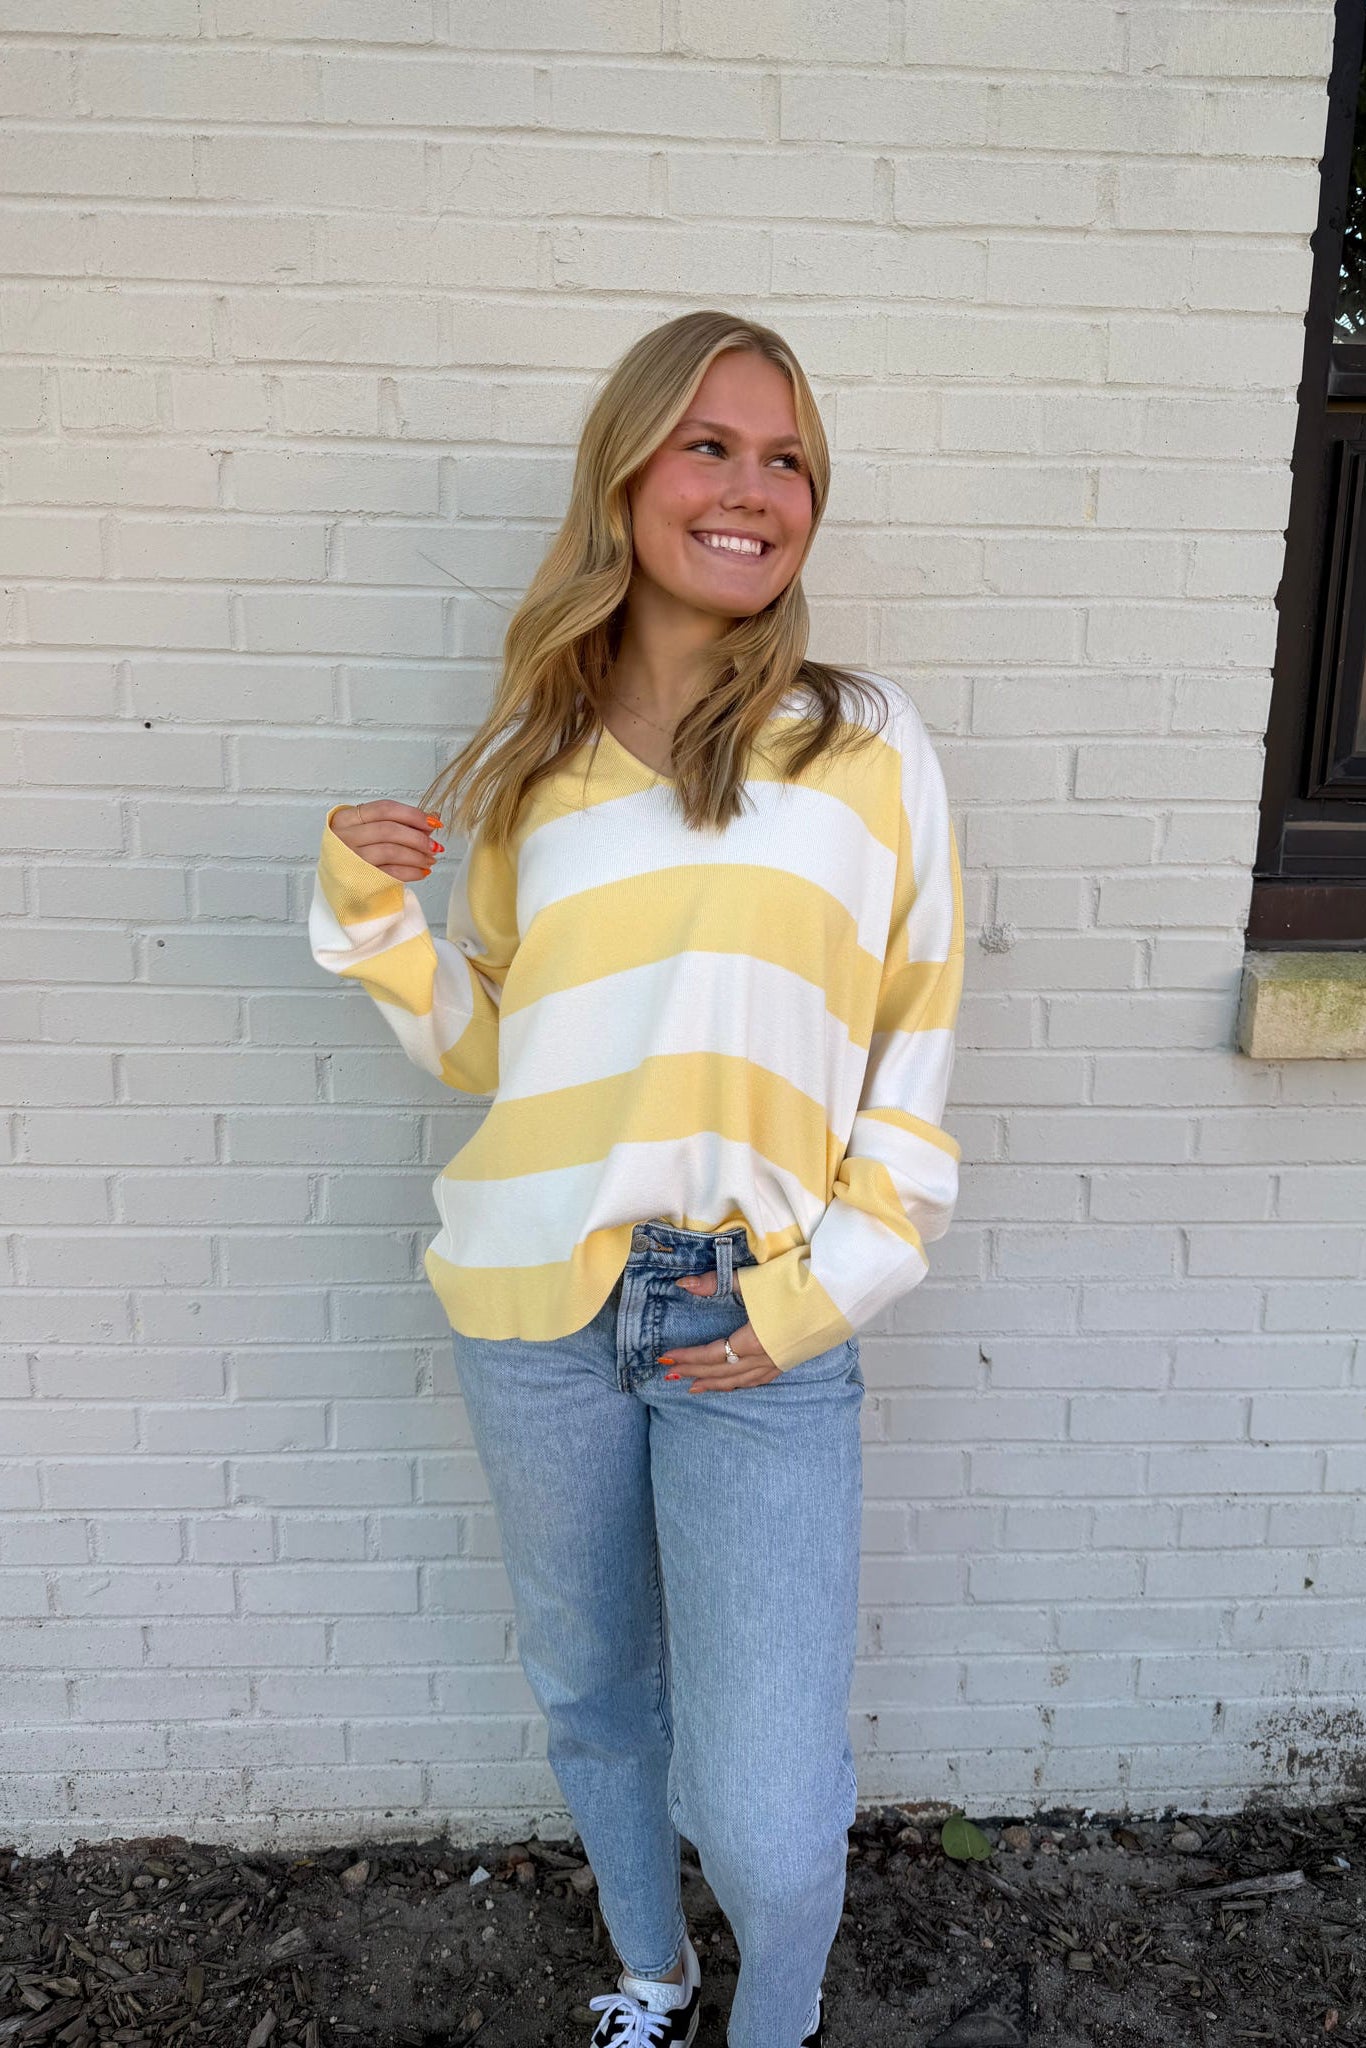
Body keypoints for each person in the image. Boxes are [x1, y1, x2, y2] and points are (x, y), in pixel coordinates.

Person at [308, 309, 965, 2048]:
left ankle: (775, 2020)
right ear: (624, 474)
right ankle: (650, 1977)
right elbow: (497, 1048)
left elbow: (913, 1046)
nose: (756, 490)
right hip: (537, 1309)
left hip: (755, 1315)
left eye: (789, 459)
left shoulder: (866, 744)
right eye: (711, 446)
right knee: (596, 1699)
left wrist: (820, 1295)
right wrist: (376, 928)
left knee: (762, 1797)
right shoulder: (534, 765)